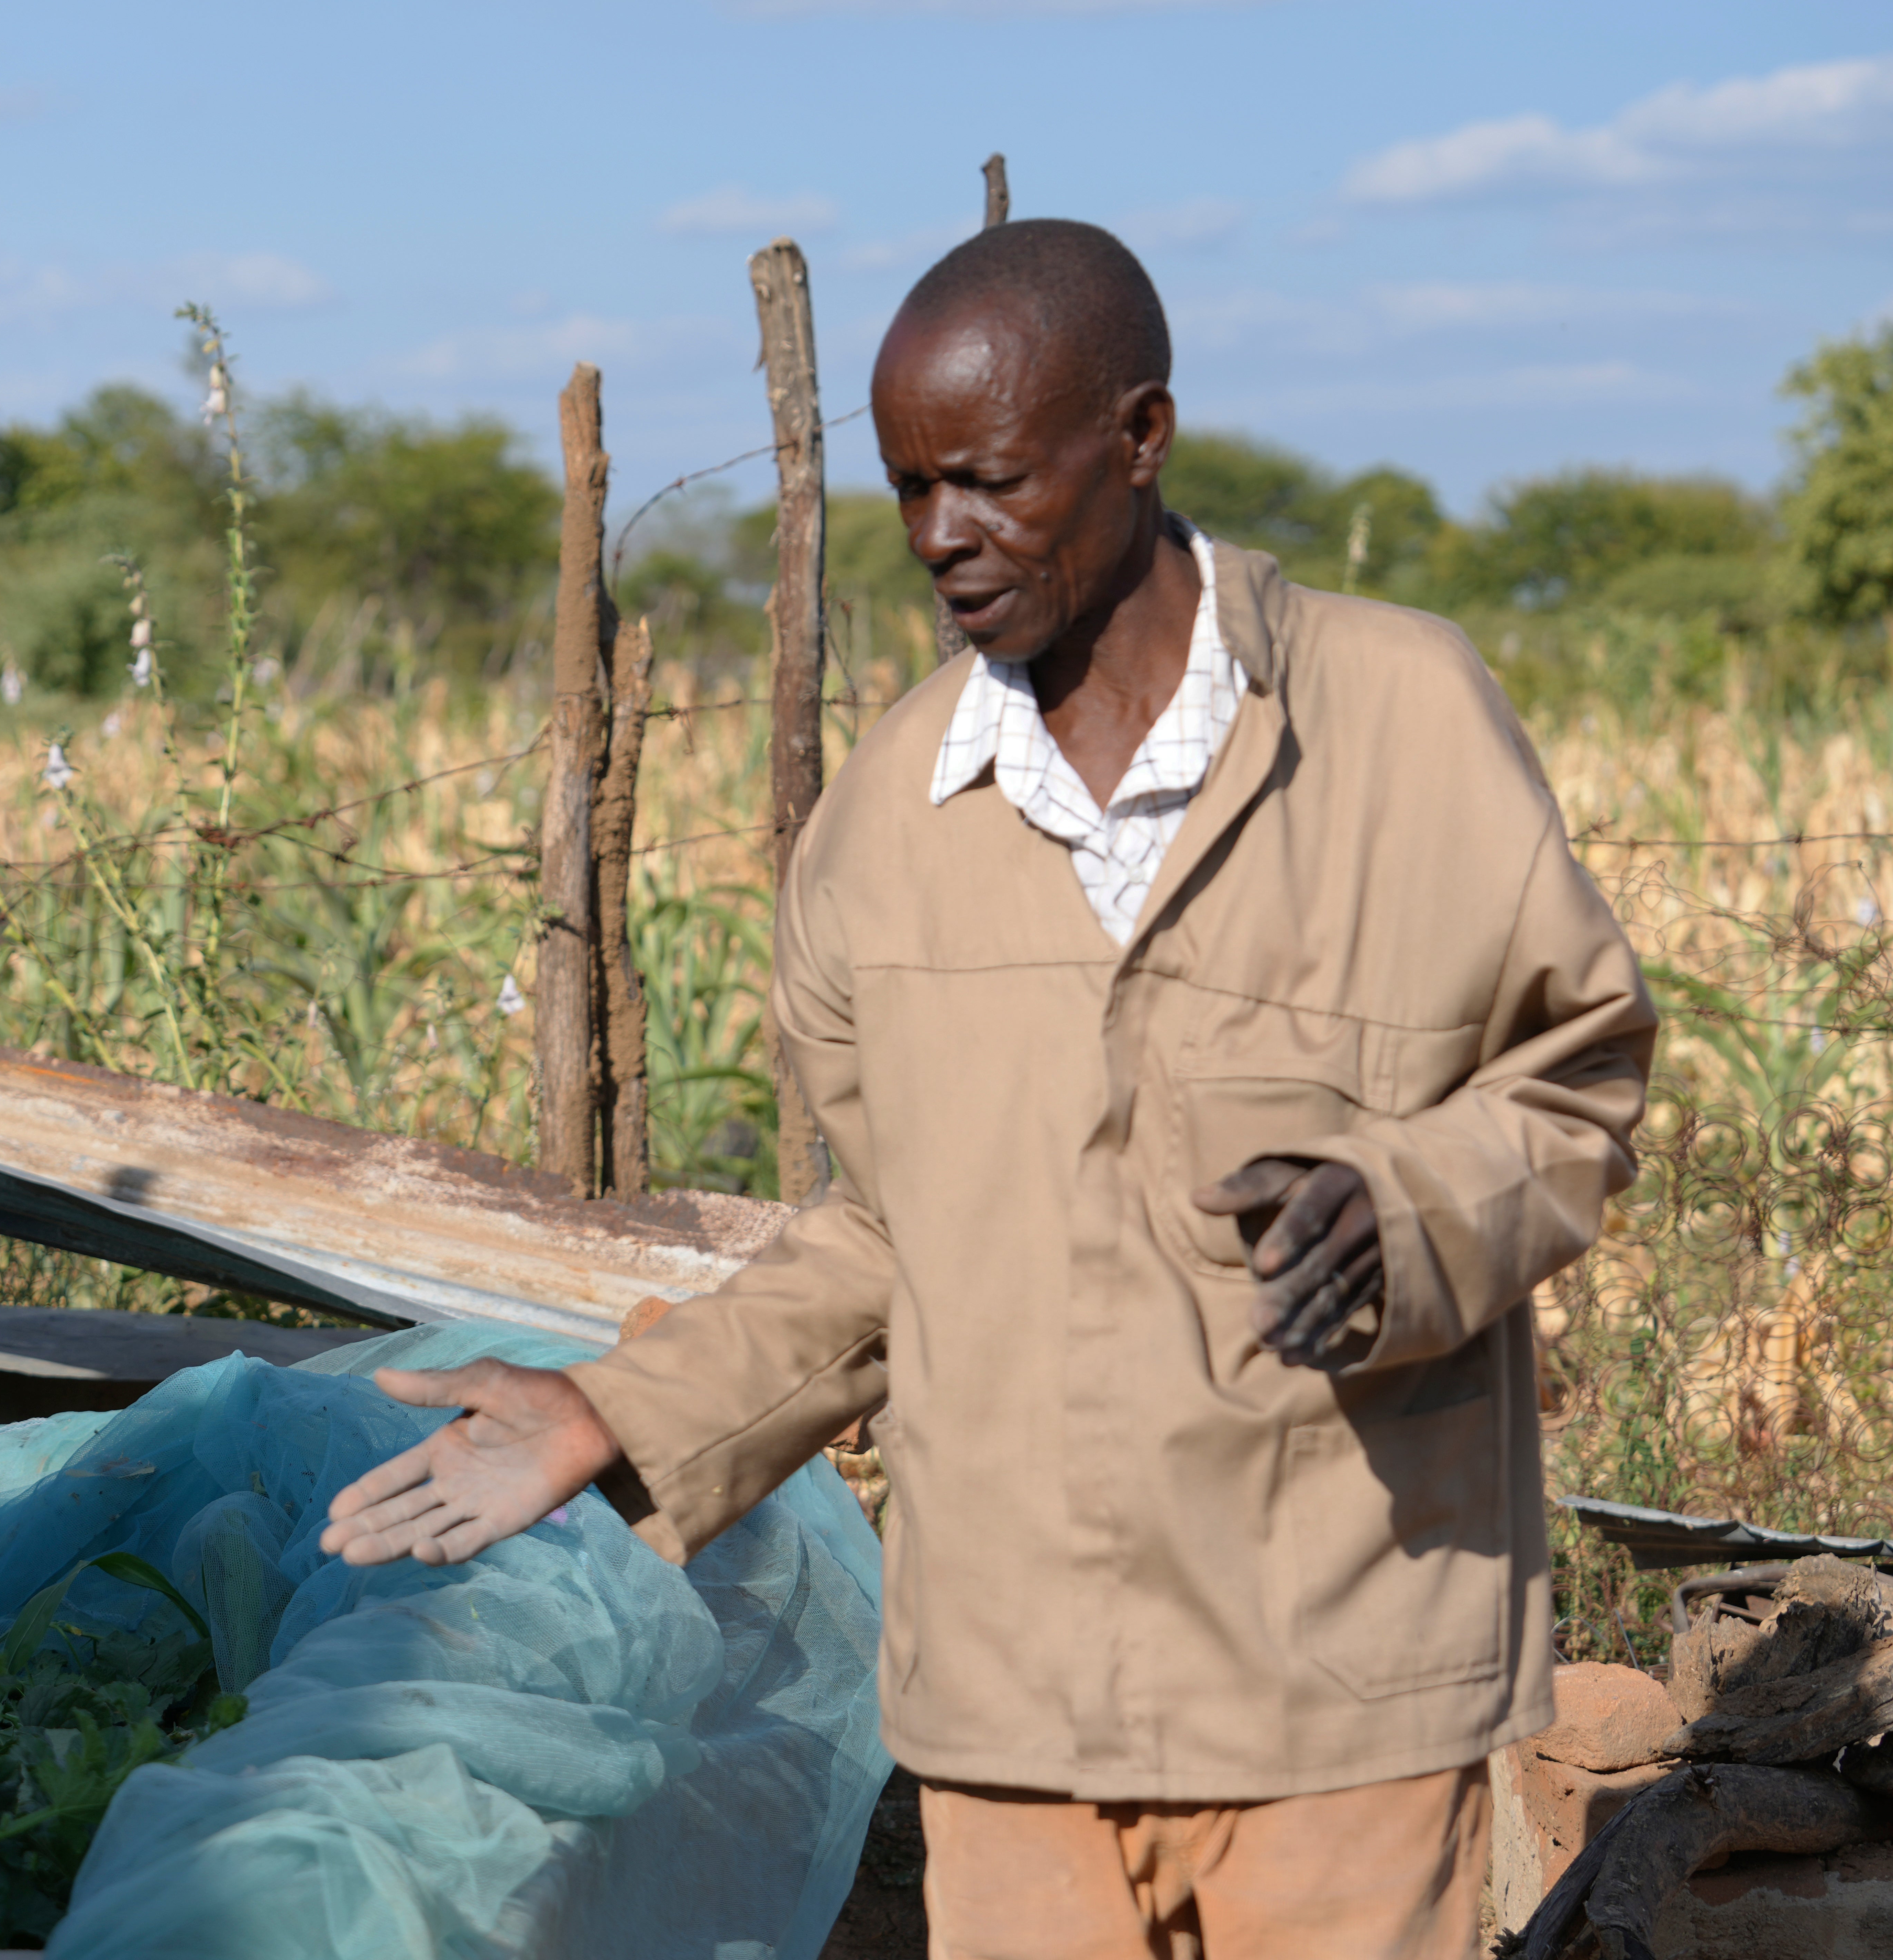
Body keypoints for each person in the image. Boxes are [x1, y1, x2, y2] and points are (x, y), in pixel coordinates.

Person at [319, 220, 1657, 1960]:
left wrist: (1405, 1217)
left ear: (1143, 435)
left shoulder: (1396, 719)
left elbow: (1576, 1078)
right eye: (907, 490)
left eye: (992, 481)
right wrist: (620, 1416)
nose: (944, 537)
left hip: (1342, 1676)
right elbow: (888, 1240)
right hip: (1011, 1710)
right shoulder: (886, 830)